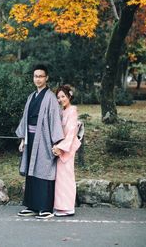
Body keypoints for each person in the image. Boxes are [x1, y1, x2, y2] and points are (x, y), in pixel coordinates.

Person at [16, 64, 64, 219]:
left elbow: (55, 120)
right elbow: (25, 119)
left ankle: (45, 208)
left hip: (44, 139)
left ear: (46, 78)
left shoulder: (50, 97)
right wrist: (23, 138)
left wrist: (56, 143)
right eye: (35, 76)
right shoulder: (31, 97)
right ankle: (32, 206)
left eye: (41, 76)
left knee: (44, 171)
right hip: (31, 139)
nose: (38, 79)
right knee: (31, 172)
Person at [52, 85, 81, 217]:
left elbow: (71, 133)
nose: (61, 99)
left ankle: (68, 207)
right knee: (60, 178)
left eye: (63, 96)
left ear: (69, 96)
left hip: (67, 148)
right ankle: (61, 206)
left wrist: (60, 147)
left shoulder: (72, 111)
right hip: (61, 147)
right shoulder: (63, 111)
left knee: (67, 177)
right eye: (58, 97)